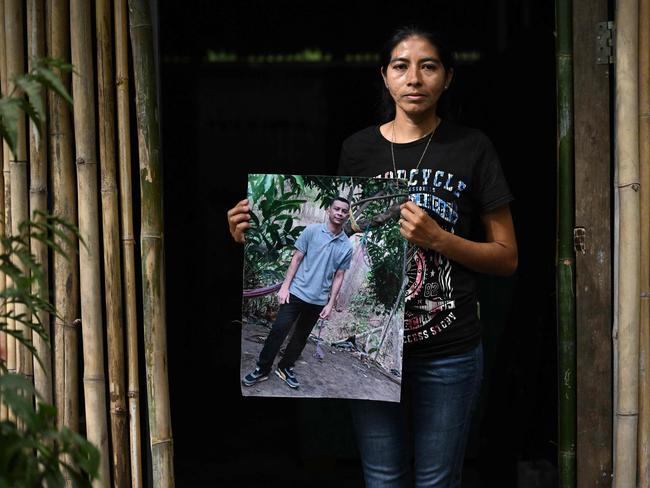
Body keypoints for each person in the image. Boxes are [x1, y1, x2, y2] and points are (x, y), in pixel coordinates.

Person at [228, 25, 517, 487]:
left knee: (438, 480)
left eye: (429, 66)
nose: (415, 78)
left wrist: (441, 240)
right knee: (382, 478)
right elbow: (331, 232)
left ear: (448, 77)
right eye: (401, 66)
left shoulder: (472, 147)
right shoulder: (357, 149)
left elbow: (506, 258)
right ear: (385, 76)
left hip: (450, 351)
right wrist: (254, 232)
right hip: (377, 348)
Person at [237, 196, 353, 390]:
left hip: (318, 300)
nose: (339, 213)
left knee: (300, 337)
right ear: (329, 210)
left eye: (343, 211)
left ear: (347, 215)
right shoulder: (312, 232)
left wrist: (330, 303)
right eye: (337, 209)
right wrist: (284, 287)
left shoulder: (346, 246)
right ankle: (262, 368)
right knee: (278, 331)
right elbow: (296, 259)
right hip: (296, 293)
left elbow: (339, 276)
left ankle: (285, 367)